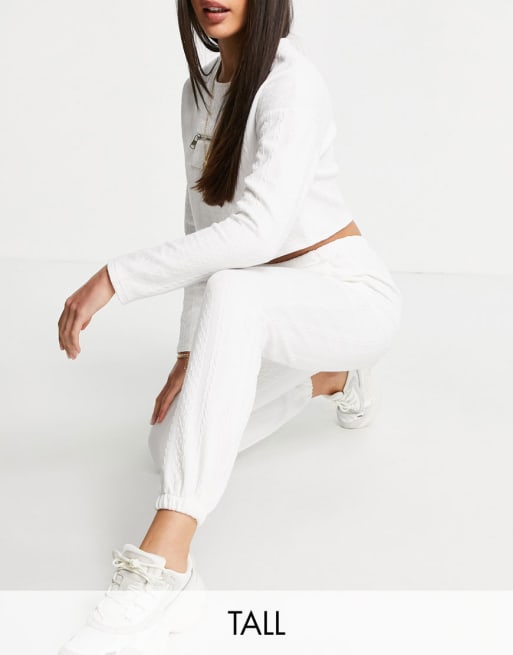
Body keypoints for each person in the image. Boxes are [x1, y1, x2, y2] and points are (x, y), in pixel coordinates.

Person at [57, 1, 402, 653]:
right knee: (166, 445)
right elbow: (202, 226)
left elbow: (256, 235)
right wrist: (192, 351)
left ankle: (168, 561)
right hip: (267, 306)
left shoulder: (291, 84)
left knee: (235, 290)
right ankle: (329, 379)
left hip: (347, 296)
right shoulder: (196, 94)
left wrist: (114, 278)